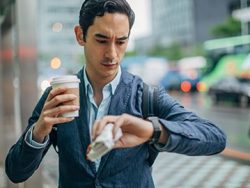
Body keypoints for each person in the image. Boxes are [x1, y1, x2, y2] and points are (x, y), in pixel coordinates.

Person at [5, 0, 226, 187]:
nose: (112, 53)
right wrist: (39, 132)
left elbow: (215, 138)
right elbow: (15, 172)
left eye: (121, 41)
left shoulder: (146, 96)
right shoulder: (59, 95)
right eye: (101, 40)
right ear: (80, 35)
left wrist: (152, 130)